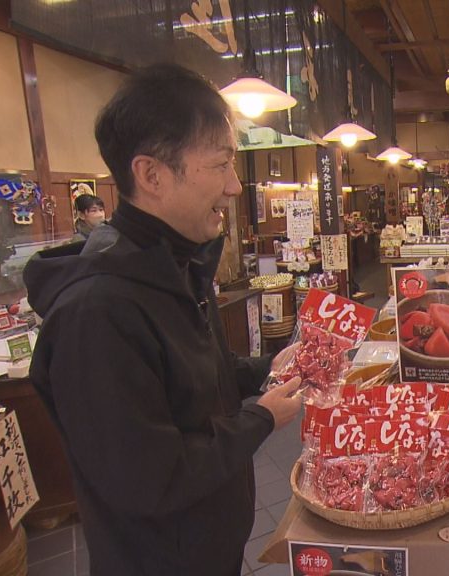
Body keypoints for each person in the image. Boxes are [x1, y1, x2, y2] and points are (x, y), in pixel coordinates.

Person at [24, 63, 303, 576]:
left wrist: (266, 366)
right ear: (151, 175)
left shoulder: (174, 265)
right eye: (220, 166)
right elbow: (151, 476)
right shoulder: (96, 312)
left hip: (208, 549)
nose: (235, 187)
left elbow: (193, 380)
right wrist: (262, 418)